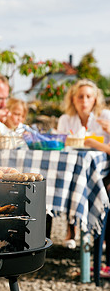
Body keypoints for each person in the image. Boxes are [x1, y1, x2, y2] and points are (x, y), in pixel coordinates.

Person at [57, 79, 110, 248]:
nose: (84, 101)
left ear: (95, 99)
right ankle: (71, 230)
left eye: (89, 96)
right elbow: (60, 146)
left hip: (104, 171)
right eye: (80, 97)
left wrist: (93, 142)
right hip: (74, 166)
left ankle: (98, 233)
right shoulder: (66, 119)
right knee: (69, 178)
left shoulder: (105, 117)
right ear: (73, 99)